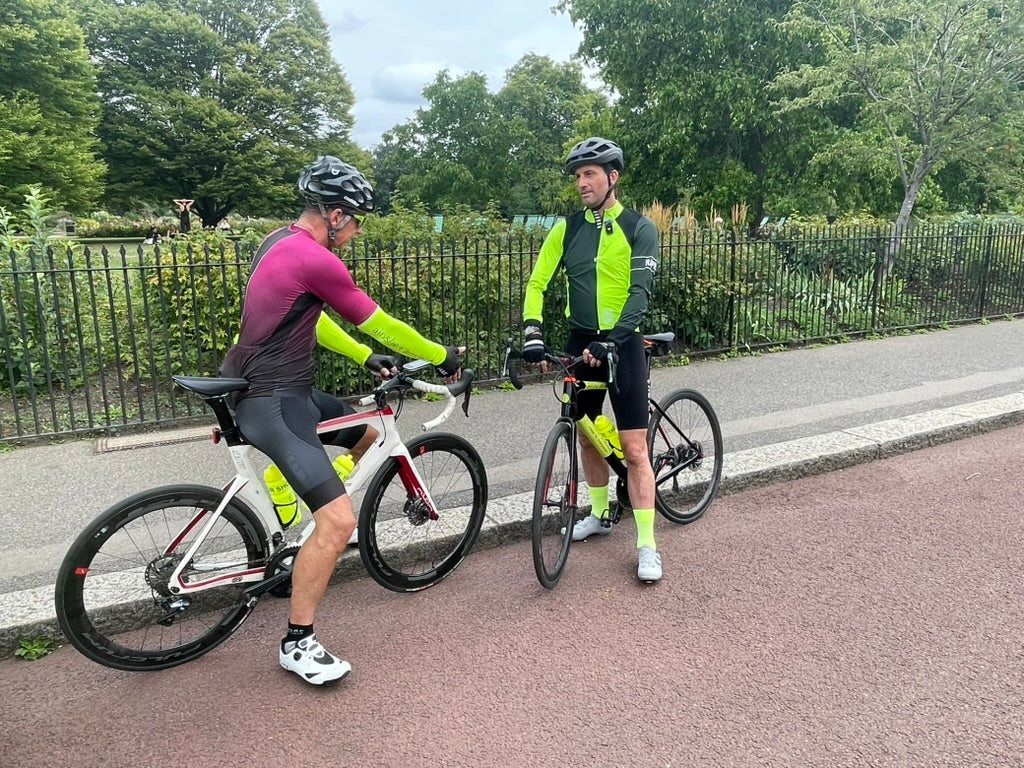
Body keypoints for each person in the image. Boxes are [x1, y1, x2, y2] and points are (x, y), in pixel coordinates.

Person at [221, 155, 462, 685]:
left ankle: (304, 538)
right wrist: (442, 355)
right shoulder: (319, 260)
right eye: (355, 220)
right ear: (333, 214)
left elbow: (308, 318)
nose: (356, 230)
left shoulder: (278, 242)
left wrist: (362, 357)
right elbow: (386, 325)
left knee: (367, 433)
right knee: (338, 522)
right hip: (273, 399)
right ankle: (298, 643)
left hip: (282, 391)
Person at [521, 137, 662, 582]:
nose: (582, 183)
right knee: (584, 434)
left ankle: (647, 544)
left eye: (590, 174)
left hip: (623, 343)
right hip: (580, 339)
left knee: (636, 449)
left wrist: (616, 340)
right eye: (578, 176)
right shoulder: (566, 229)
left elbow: (640, 294)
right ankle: (601, 515)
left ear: (612, 178)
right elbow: (537, 284)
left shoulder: (640, 227)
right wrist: (532, 332)